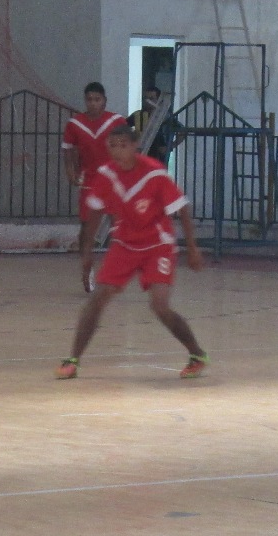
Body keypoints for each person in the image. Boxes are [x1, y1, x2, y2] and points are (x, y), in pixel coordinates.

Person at [54, 125, 210, 380]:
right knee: (98, 298)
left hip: (157, 245)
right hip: (124, 243)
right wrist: (87, 252)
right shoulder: (106, 174)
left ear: (136, 146)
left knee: (160, 306)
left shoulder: (154, 173)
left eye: (123, 145)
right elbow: (94, 212)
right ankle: (73, 360)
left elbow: (181, 208)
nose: (117, 151)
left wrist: (192, 248)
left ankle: (196, 353)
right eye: (112, 146)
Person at [62, 82, 126, 291]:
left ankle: (116, 269)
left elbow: (127, 148)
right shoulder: (75, 124)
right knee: (87, 229)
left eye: (97, 99)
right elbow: (68, 150)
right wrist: (71, 171)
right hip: (89, 182)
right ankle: (87, 267)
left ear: (104, 101)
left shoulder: (116, 122)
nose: (93, 103)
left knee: (118, 226)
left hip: (113, 181)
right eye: (89, 99)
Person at [126, 86, 182, 163]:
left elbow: (182, 132)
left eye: (151, 98)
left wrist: (170, 147)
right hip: (141, 153)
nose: (148, 101)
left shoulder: (165, 116)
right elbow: (122, 128)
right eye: (146, 98)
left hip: (159, 156)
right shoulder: (137, 115)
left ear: (158, 100)